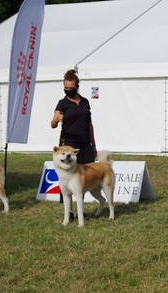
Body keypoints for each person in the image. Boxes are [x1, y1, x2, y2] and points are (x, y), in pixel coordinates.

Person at [50, 69, 97, 220]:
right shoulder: (62, 103)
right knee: (68, 180)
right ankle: (69, 213)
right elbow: (52, 124)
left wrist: (93, 145)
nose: (68, 90)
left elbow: (89, 124)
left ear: (77, 86)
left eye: (71, 88)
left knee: (83, 179)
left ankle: (80, 212)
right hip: (68, 146)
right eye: (66, 88)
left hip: (85, 145)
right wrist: (56, 120)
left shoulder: (85, 102)